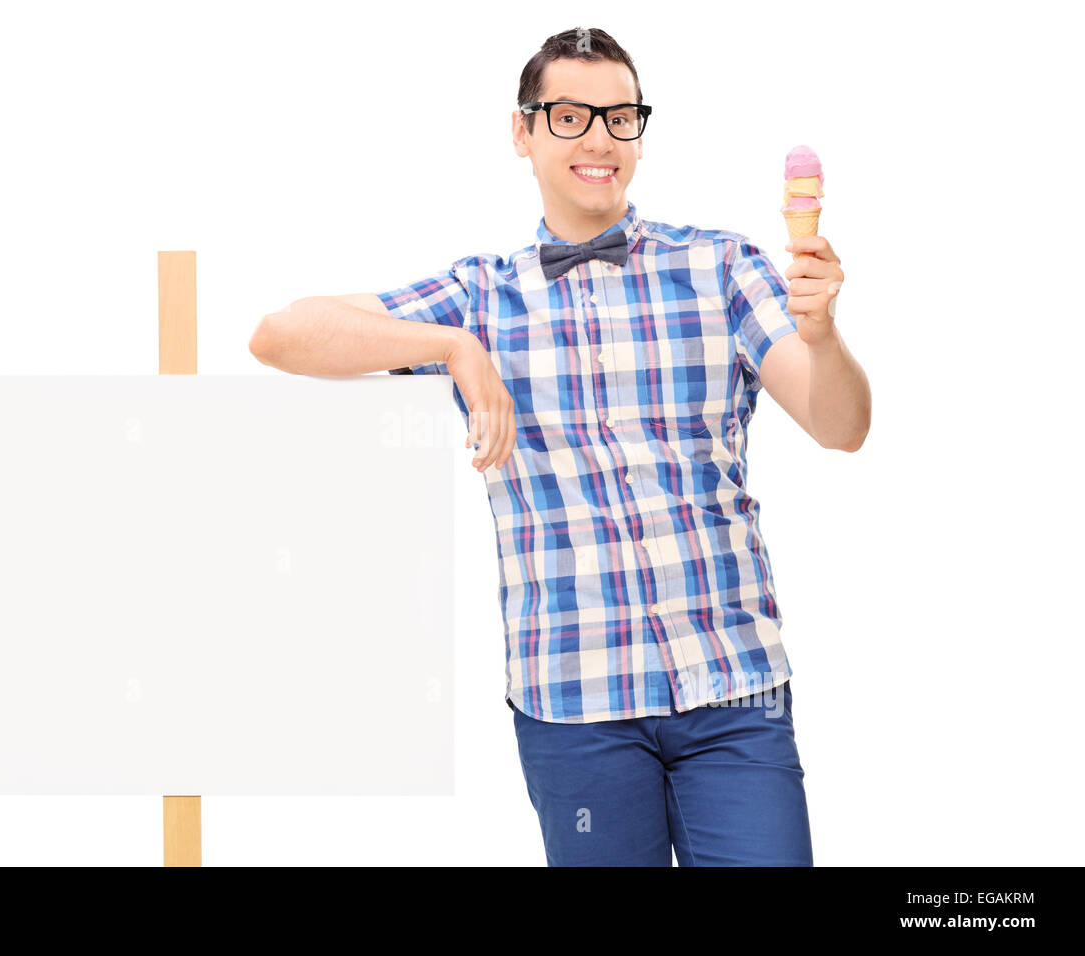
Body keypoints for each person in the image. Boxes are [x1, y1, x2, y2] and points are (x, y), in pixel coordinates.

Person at [248, 26, 869, 866]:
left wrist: (822, 334)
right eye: (570, 116)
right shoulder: (481, 296)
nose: (599, 140)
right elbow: (281, 334)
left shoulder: (723, 267)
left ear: (641, 135)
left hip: (735, 690)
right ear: (523, 132)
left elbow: (841, 427)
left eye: (620, 117)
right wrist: (454, 349)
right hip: (574, 703)